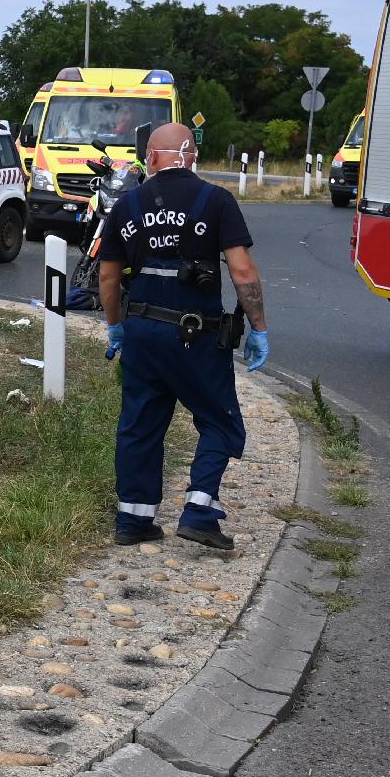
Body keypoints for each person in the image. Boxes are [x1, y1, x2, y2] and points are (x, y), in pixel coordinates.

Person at [97, 123, 270, 552]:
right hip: (196, 335)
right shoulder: (216, 201)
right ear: (192, 156)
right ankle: (199, 511)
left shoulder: (127, 205)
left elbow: (108, 275)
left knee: (140, 424)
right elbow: (242, 271)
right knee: (218, 419)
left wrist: (116, 326)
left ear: (152, 157)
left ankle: (133, 520)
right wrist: (259, 328)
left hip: (142, 333)